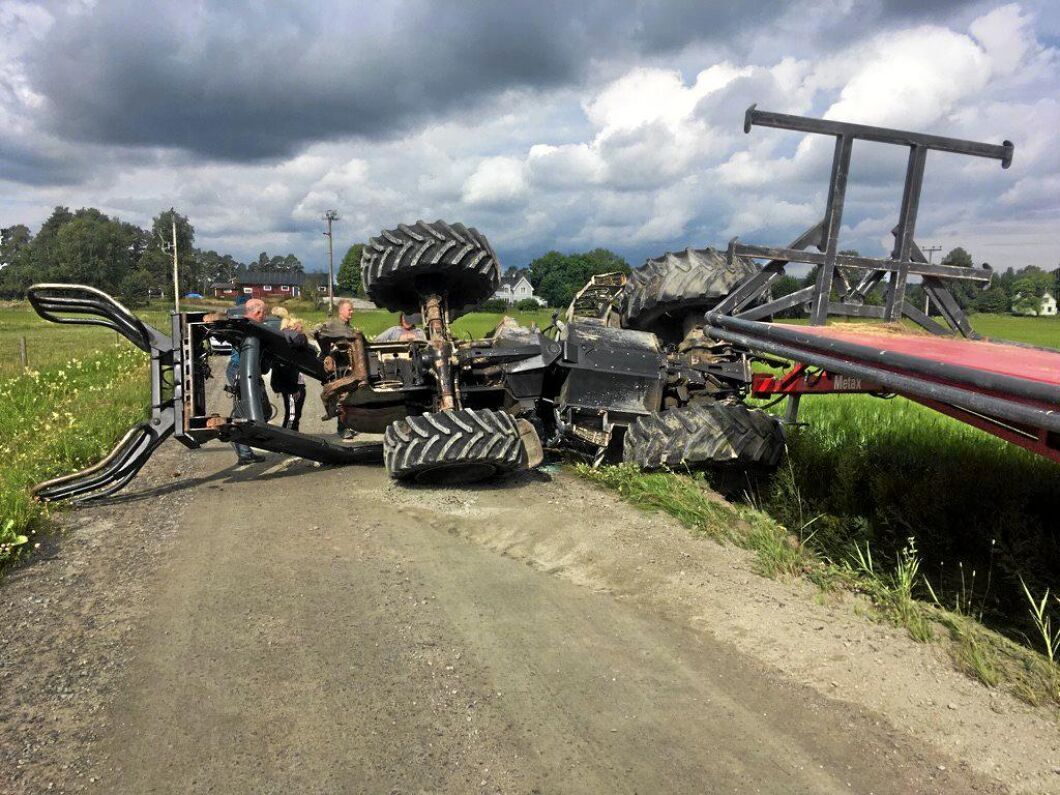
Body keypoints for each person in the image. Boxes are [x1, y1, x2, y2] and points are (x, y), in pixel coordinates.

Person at [227, 298, 269, 465]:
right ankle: (244, 452)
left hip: (250, 371)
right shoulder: (247, 327)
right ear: (258, 312)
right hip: (239, 370)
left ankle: (243, 447)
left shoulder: (252, 327)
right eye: (264, 313)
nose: (265, 317)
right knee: (244, 411)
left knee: (261, 410)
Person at [316, 299, 357, 440]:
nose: (352, 312)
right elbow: (318, 335)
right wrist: (327, 353)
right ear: (341, 311)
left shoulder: (348, 326)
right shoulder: (333, 325)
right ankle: (343, 428)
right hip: (337, 367)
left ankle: (347, 424)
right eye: (349, 309)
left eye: (352, 309)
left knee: (349, 397)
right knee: (341, 397)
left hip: (347, 366)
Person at [270, 316, 308, 432]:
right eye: (300, 326)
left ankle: (293, 437)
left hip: (295, 384)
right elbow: (285, 368)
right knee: (292, 415)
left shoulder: (290, 343)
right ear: (294, 326)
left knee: (295, 414)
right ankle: (287, 440)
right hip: (292, 386)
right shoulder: (287, 342)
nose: (302, 328)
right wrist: (294, 388)